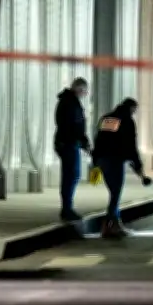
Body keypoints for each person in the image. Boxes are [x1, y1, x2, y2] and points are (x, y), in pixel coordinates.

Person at [92, 98, 152, 238]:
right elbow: (130, 145)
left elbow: (100, 139)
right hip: (115, 160)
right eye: (134, 110)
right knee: (115, 193)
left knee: (114, 192)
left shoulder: (108, 118)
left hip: (102, 159)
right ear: (131, 108)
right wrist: (138, 164)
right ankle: (108, 225)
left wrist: (95, 160)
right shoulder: (127, 121)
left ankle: (116, 224)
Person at [54, 77, 91, 221]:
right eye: (84, 91)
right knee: (71, 176)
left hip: (67, 142)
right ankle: (67, 209)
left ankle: (67, 207)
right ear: (79, 89)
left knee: (71, 175)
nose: (84, 95)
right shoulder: (70, 103)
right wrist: (83, 141)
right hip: (69, 143)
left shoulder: (68, 101)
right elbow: (74, 126)